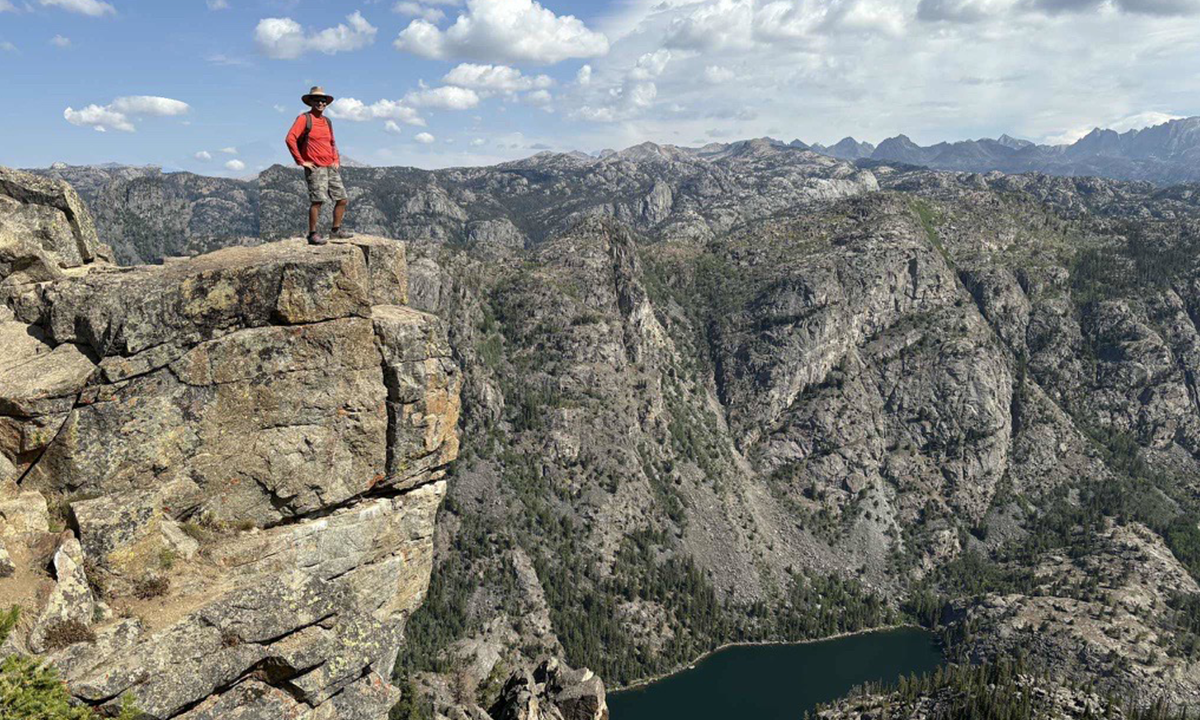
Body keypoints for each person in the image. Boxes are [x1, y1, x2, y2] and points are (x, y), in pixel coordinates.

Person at [285, 86, 353, 245]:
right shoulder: (304, 119)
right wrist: (301, 161)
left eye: (323, 101)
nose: (321, 103)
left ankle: (335, 231)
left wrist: (336, 159)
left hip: (330, 166)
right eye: (317, 100)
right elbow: (290, 139)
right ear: (311, 102)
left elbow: (332, 142)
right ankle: (312, 234)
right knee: (317, 201)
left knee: (342, 199)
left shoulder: (327, 121)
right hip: (315, 167)